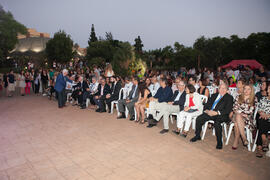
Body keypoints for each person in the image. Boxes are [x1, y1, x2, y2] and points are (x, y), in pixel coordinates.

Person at [190, 83, 233, 150]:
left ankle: (219, 142)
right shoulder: (213, 95)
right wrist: (207, 111)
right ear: (218, 89)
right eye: (220, 88)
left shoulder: (229, 97)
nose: (222, 90)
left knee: (217, 123)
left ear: (227, 90)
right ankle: (197, 135)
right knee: (199, 118)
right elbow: (207, 105)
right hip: (210, 112)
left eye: (224, 88)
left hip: (221, 115)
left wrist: (216, 112)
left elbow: (228, 110)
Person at [231, 84, 256, 150]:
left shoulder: (253, 99)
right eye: (245, 89)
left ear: (251, 90)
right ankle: (244, 138)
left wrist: (241, 113)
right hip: (237, 115)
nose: (246, 91)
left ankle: (236, 140)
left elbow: (251, 111)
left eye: (248, 89)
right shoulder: (238, 97)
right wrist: (240, 113)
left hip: (247, 118)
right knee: (238, 116)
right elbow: (234, 108)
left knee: (236, 123)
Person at [256, 83, 270, 158]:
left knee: (262, 123)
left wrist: (268, 115)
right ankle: (264, 139)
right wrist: (261, 113)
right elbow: (259, 109)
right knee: (261, 120)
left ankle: (259, 148)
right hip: (263, 118)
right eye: (268, 89)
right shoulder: (263, 98)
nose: (268, 90)